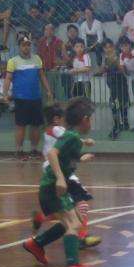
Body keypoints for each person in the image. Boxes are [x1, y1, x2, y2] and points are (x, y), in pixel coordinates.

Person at [22, 97, 97, 267]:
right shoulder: (70, 136)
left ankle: (37, 244)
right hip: (51, 187)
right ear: (85, 119)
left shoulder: (72, 137)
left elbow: (65, 156)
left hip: (52, 187)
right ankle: (72, 266)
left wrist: (81, 158)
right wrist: (61, 179)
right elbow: (52, 153)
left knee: (74, 221)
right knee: (72, 223)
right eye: (91, 119)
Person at [31, 102, 101, 250]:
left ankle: (42, 219)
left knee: (65, 209)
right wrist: (84, 141)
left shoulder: (53, 131)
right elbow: (65, 139)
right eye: (64, 118)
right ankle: (82, 237)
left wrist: (80, 154)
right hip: (58, 173)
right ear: (57, 119)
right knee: (80, 202)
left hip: (58, 170)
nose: (67, 121)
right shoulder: (58, 130)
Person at [3, 35, 53, 160]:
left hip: (36, 97)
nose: (26, 47)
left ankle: (34, 150)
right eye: (24, 45)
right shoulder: (13, 61)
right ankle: (19, 151)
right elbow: (8, 78)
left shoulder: (37, 59)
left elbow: (42, 76)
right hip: (20, 98)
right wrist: (5, 94)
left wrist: (48, 90)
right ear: (19, 47)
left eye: (28, 45)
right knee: (21, 125)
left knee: (36, 125)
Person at [97, 39, 129, 139]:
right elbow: (102, 70)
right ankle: (117, 124)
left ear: (113, 47)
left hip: (121, 83)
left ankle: (125, 123)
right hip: (112, 85)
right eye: (106, 48)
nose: (108, 49)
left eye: (110, 47)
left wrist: (114, 61)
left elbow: (122, 69)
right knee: (114, 104)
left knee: (123, 102)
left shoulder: (119, 55)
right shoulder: (105, 58)